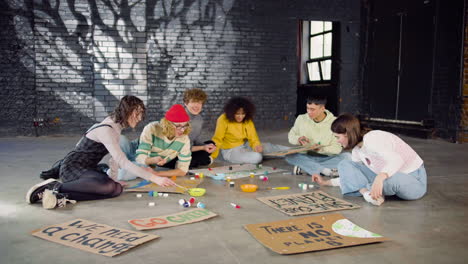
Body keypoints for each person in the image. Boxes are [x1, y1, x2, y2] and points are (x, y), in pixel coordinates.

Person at [26, 95, 175, 209]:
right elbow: (123, 161)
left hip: (88, 169)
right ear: (126, 111)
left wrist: (115, 179)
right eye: (137, 113)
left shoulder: (115, 127)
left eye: (141, 113)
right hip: (72, 167)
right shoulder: (107, 129)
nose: (140, 118)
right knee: (108, 187)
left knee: (115, 189)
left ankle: (60, 196)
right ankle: (51, 187)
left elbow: (114, 159)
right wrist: (155, 178)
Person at [312, 113, 427, 206]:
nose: (337, 141)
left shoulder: (373, 138)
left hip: (413, 179)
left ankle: (370, 190)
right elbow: (352, 175)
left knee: (391, 178)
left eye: (338, 137)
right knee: (345, 164)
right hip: (385, 177)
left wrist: (380, 177)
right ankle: (367, 194)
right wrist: (326, 182)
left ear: (347, 134)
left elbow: (397, 160)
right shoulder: (357, 150)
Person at [117, 104, 192, 180]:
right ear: (168, 124)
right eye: (178, 126)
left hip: (144, 164)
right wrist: (152, 160)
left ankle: (114, 168)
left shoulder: (184, 140)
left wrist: (157, 173)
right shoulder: (152, 128)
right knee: (120, 138)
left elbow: (183, 170)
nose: (182, 130)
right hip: (132, 152)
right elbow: (140, 157)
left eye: (184, 126)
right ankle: (121, 165)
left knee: (123, 175)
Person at [211, 96, 288, 164]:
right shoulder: (223, 119)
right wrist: (212, 157)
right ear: (231, 112)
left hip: (244, 145)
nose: (240, 117)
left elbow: (253, 138)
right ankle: (262, 155)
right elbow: (217, 139)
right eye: (237, 114)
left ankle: (294, 152)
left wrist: (256, 146)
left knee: (268, 147)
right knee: (257, 157)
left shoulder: (247, 120)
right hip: (230, 151)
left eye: (243, 114)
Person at [286, 96, 346, 177]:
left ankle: (306, 168)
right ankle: (325, 171)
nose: (309, 112)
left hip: (327, 157)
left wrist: (320, 149)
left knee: (347, 157)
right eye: (308, 108)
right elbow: (291, 136)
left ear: (322, 108)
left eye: (312, 109)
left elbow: (337, 149)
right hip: (306, 156)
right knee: (290, 156)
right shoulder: (301, 118)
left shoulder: (335, 122)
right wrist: (298, 139)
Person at [164, 88, 216, 168]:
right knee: (192, 160)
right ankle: (198, 161)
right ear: (185, 103)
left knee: (211, 143)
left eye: (199, 102)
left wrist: (206, 146)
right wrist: (202, 147)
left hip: (189, 150)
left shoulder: (199, 119)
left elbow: (195, 139)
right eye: (193, 102)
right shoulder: (178, 118)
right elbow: (178, 147)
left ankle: (196, 160)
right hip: (172, 152)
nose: (196, 105)